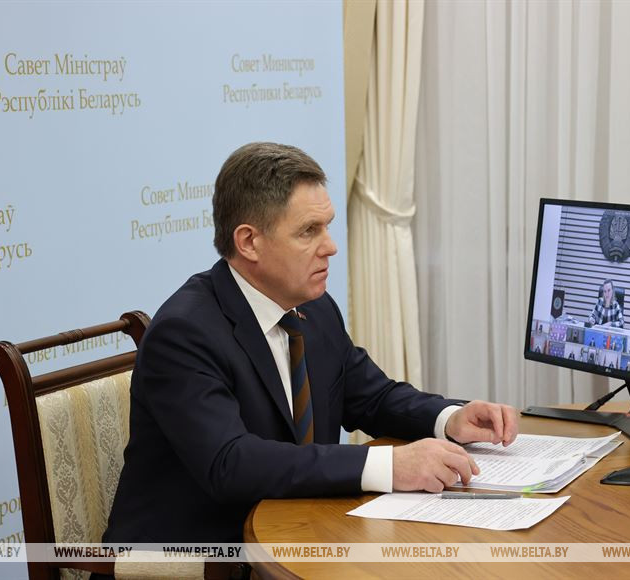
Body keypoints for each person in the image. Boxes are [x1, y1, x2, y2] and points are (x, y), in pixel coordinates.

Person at [101, 143, 518, 547]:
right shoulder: (184, 333)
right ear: (248, 242)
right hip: (198, 559)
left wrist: (449, 418)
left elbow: (372, 397)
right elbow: (230, 462)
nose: (330, 247)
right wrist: (390, 465)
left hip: (300, 534)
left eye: (327, 226)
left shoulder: (313, 307)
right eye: (308, 231)